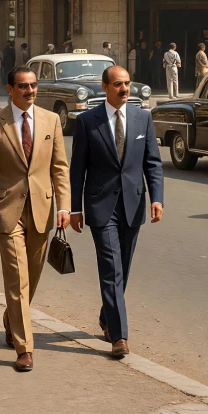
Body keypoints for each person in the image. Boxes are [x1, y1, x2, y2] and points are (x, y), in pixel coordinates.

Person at [0, 67, 70, 373]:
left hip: (42, 209)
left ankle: (11, 318)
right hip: (6, 210)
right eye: (23, 86)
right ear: (10, 89)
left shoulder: (51, 120)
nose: (30, 91)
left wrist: (64, 207)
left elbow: (59, 168)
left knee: (32, 276)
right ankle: (24, 347)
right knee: (17, 277)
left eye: (33, 85)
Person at [69, 66, 164, 359]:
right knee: (111, 268)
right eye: (118, 84)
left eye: (127, 84)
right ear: (105, 87)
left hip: (133, 204)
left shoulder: (142, 118)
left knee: (123, 266)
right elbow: (77, 168)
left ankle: (107, 314)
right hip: (101, 206)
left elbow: (152, 163)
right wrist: (74, 208)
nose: (124, 89)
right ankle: (119, 336)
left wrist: (157, 198)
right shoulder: (87, 121)